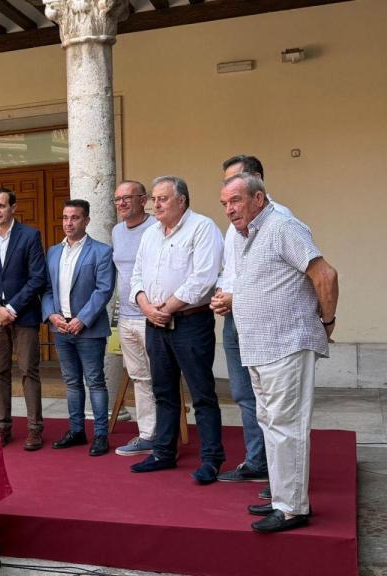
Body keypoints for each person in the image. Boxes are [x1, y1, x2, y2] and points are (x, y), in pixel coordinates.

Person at [219, 173, 338, 533]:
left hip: (287, 344)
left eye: (236, 200)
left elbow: (326, 275)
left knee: (287, 427)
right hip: (260, 347)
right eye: (225, 203)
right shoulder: (244, 237)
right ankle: (282, 498)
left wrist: (327, 322)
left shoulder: (283, 226)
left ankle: (292, 509)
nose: (229, 210)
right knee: (271, 424)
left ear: (259, 198)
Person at [129, 176, 225, 483]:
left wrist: (167, 308)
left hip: (190, 322)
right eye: (154, 199)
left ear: (181, 200)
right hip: (154, 323)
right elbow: (137, 276)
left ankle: (211, 459)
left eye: (162, 198)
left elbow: (203, 278)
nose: (155, 204)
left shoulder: (202, 227)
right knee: (163, 391)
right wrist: (146, 306)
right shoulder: (150, 235)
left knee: (202, 394)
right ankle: (163, 453)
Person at [211, 155, 293, 484]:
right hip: (235, 318)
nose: (229, 197)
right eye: (225, 186)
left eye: (236, 184)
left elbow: (277, 278)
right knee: (245, 394)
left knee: (271, 402)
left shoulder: (280, 221)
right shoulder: (236, 224)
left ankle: (281, 475)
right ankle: (257, 460)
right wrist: (221, 292)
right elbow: (233, 270)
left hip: (265, 323)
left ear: (257, 183)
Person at [0, 187, 47, 450]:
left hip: (24, 314)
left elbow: (37, 277)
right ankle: (2, 426)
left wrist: (12, 308)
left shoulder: (29, 235)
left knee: (29, 370)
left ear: (13, 208)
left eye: (1, 206)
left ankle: (35, 428)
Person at [42, 199, 115, 456]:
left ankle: (101, 435)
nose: (68, 223)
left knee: (95, 382)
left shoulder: (101, 251)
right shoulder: (53, 252)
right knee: (72, 382)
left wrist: (82, 319)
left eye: (74, 218)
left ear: (86, 220)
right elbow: (48, 288)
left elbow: (103, 290)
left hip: (89, 330)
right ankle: (76, 430)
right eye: (65, 217)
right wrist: (51, 314)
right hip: (61, 329)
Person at [110, 181, 159, 457]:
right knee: (140, 378)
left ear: (143, 200)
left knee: (159, 377)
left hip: (151, 316)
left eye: (127, 198)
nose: (121, 204)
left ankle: (165, 433)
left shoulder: (155, 228)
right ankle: (147, 434)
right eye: (117, 199)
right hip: (126, 317)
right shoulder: (117, 231)